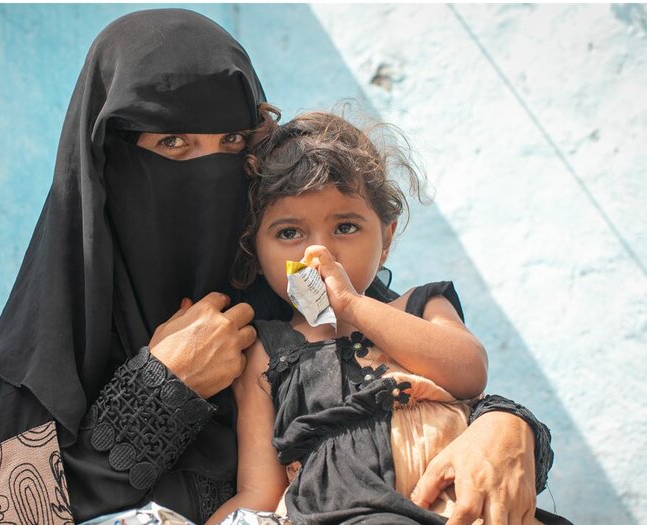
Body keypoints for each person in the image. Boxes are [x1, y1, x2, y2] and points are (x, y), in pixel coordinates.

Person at [0, 9, 555, 525]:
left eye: (235, 145)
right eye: (173, 145)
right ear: (107, 160)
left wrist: (509, 428)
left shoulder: (301, 291)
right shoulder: (52, 340)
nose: (209, 174)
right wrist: (161, 389)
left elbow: (421, 382)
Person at [207, 110, 569, 524]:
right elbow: (258, 491)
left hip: (458, 503)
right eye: (289, 233)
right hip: (347, 511)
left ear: (386, 239)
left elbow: (469, 372)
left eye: (345, 227)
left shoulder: (419, 306)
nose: (318, 253)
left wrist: (354, 306)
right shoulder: (268, 353)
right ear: (256, 253)